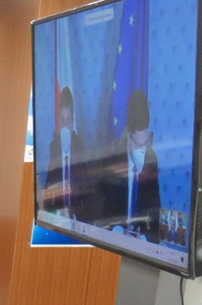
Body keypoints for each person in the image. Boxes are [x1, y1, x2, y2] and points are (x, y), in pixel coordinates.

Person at [93, 89, 161, 242]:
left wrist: (144, 236)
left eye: (146, 143)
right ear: (129, 138)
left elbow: (155, 213)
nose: (143, 150)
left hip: (140, 244)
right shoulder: (113, 162)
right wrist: (120, 233)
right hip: (115, 241)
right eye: (139, 145)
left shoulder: (151, 160)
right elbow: (102, 214)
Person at [43, 87, 88, 219]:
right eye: (62, 120)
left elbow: (85, 190)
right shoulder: (54, 146)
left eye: (68, 120)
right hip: (58, 214)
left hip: (76, 215)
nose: (65, 124)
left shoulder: (81, 148)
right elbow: (48, 187)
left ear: (73, 121)